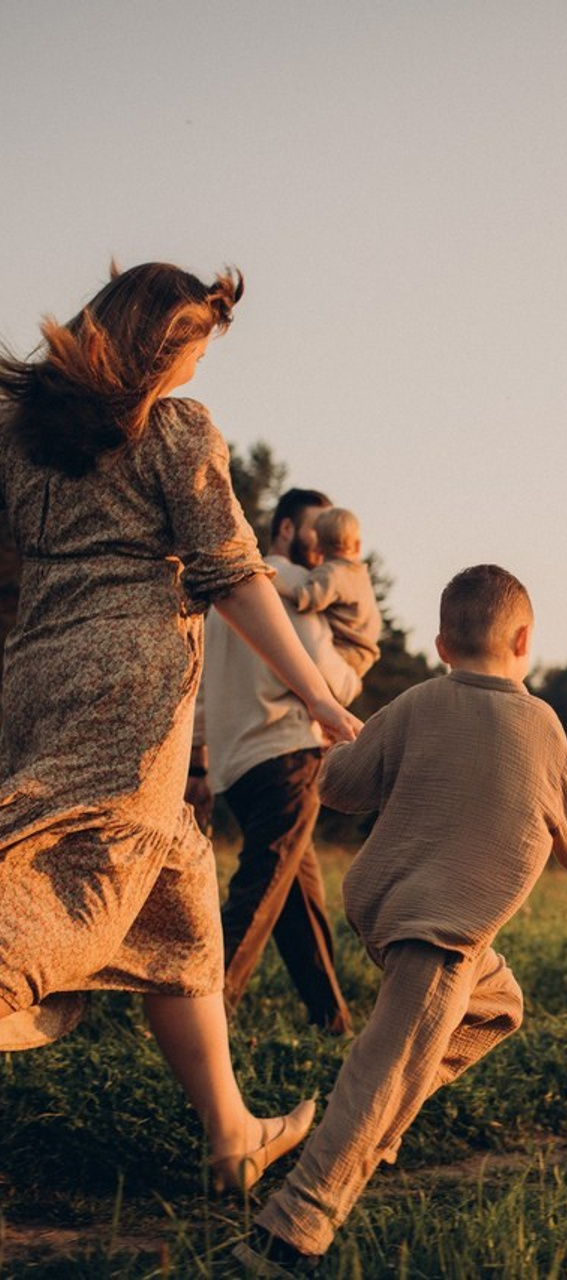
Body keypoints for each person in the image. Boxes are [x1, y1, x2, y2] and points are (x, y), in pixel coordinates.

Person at [0, 262, 361, 1193]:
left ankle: (232, 1133)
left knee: (176, 887)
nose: (203, 363)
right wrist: (318, 696)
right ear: (165, 347)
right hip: (130, 695)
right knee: (72, 882)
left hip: (37, 674)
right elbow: (233, 572)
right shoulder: (176, 431)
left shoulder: (21, 435)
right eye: (198, 343)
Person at [236, 564, 567, 1272]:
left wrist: (342, 745)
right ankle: (290, 1232)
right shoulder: (541, 725)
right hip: (443, 935)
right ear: (525, 640)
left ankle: (373, 1122)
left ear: (443, 643)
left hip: (388, 913)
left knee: (500, 1006)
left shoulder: (416, 703)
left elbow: (342, 787)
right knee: (379, 1070)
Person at [191, 489, 361, 1036]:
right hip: (286, 753)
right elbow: (330, 679)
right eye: (316, 532)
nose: (324, 547)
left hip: (235, 766)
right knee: (261, 889)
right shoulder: (286, 589)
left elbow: (200, 687)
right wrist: (359, 663)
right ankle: (205, 1013)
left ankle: (331, 1020)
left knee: (297, 894)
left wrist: (199, 764)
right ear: (286, 530)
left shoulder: (229, 594)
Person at [272, 505, 381, 677]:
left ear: (319, 548)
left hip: (347, 651)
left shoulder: (331, 573)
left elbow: (310, 598)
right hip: (365, 651)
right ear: (358, 545)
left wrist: (281, 587)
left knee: (301, 673)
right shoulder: (360, 574)